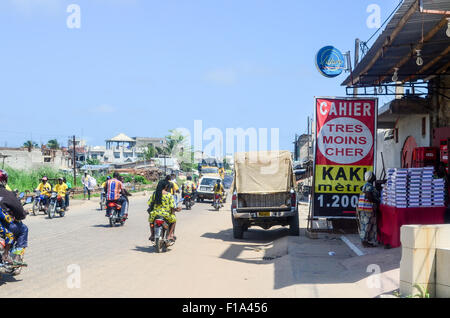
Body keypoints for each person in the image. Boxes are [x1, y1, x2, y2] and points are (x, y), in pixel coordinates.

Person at [0, 170, 28, 263]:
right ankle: (17, 256)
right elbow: (19, 212)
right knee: (24, 229)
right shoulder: (8, 194)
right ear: (4, 181)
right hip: (6, 226)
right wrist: (22, 215)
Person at [356, 171, 380, 248]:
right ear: (370, 177)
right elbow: (368, 195)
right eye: (373, 175)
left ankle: (365, 241)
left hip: (364, 209)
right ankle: (364, 241)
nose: (375, 177)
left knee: (365, 225)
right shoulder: (369, 186)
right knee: (367, 226)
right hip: (368, 209)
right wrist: (376, 201)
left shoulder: (365, 185)